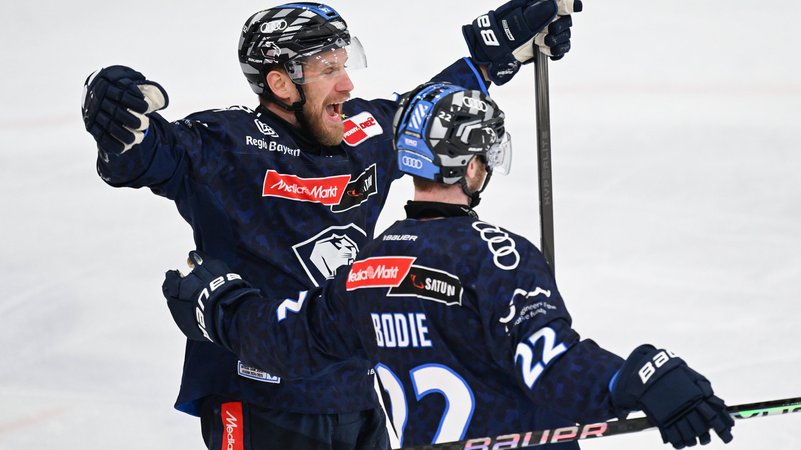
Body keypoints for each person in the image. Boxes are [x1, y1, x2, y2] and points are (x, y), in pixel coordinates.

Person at [80, 2, 581, 449]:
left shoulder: (363, 133)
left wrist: (497, 52)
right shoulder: (224, 144)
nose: (347, 83)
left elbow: (433, 108)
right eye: (328, 70)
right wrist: (119, 123)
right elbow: (147, 157)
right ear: (280, 83)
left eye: (344, 65)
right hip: (261, 400)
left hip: (358, 391)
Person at [162, 82, 736, 449]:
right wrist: (642, 376)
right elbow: (555, 371)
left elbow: (285, 341)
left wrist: (219, 302)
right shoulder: (496, 256)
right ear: (471, 168)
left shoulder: (367, 267)